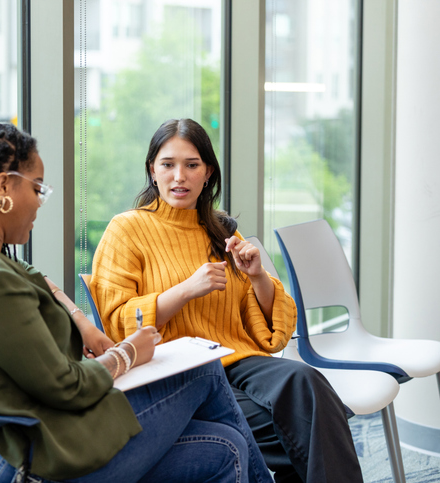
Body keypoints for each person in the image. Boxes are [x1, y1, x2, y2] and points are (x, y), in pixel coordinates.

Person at [0, 121, 274, 483]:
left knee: (225, 448)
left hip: (34, 436)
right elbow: (67, 386)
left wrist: (80, 319)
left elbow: (35, 278)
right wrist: (127, 353)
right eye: (37, 188)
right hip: (27, 456)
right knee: (201, 367)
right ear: (3, 187)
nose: (39, 202)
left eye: (192, 165)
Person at [90, 118, 364, 483]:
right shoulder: (126, 229)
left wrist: (257, 276)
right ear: (151, 171)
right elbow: (115, 322)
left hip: (235, 362)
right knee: (311, 425)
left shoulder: (220, 230)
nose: (179, 177)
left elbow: (272, 332)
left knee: (305, 381)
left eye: (192, 165)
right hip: (178, 376)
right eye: (168, 165)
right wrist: (185, 290)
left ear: (208, 173)